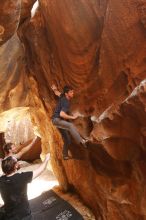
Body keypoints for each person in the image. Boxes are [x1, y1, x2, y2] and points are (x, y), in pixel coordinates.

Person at [0, 153, 50, 220]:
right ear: (15, 166)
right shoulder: (22, 177)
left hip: (9, 215)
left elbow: (7, 173)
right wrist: (46, 159)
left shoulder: (1, 179)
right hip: (23, 215)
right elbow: (40, 170)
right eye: (17, 162)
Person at [51, 85, 88, 160]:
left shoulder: (62, 96)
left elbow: (57, 93)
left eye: (73, 92)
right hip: (57, 120)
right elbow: (62, 114)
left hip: (58, 121)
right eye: (71, 92)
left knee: (67, 139)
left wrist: (54, 89)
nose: (73, 93)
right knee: (71, 125)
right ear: (66, 94)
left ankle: (65, 155)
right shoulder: (66, 102)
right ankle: (82, 142)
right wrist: (73, 117)